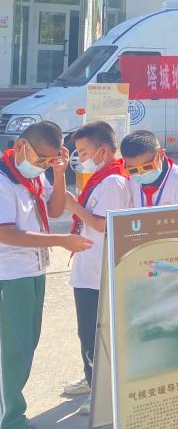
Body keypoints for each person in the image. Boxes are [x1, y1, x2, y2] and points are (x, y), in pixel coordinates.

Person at [1, 121, 88, 429]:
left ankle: (12, 411)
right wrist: (61, 240)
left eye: (49, 161)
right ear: (21, 146)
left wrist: (59, 173)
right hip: (10, 274)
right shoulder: (4, 181)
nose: (42, 166)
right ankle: (11, 418)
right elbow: (6, 233)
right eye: (41, 160)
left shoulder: (33, 174)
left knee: (27, 344)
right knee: (13, 349)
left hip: (34, 270)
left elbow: (54, 210)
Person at [62, 121, 132, 409]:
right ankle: (93, 381)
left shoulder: (113, 181)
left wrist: (74, 207)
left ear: (102, 151)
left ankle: (100, 394)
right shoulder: (103, 178)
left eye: (83, 152)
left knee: (93, 333)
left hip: (97, 273)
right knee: (89, 332)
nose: (79, 158)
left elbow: (103, 224)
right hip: (90, 268)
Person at [121, 130, 178, 207]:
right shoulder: (131, 181)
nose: (141, 174)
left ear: (161, 154)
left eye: (147, 167)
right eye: (133, 170)